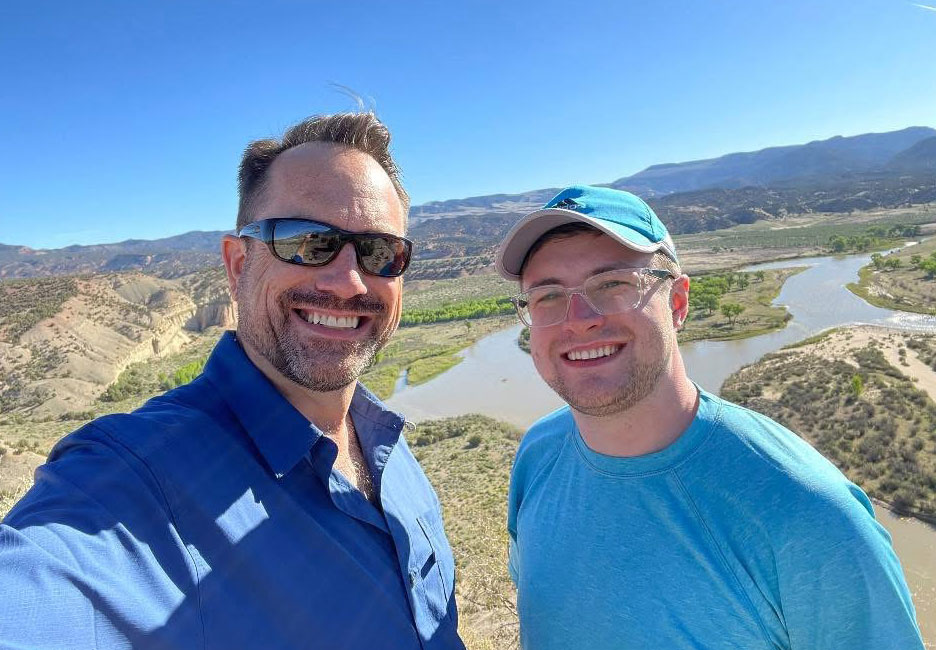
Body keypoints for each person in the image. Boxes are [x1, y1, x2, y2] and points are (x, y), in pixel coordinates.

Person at [0, 113, 465, 649]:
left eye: (381, 252)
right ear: (238, 264)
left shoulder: (387, 443)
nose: (348, 282)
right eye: (309, 242)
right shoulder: (134, 480)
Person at [495, 185, 924, 649]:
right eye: (548, 297)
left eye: (612, 284)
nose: (579, 319)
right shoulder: (538, 455)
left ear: (677, 303)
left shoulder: (810, 517)